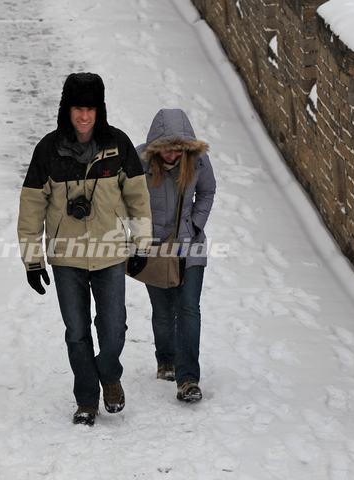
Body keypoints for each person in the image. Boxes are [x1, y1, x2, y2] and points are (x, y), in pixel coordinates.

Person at [17, 73, 152, 426]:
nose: (84, 116)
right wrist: (33, 261)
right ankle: (87, 400)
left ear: (99, 110)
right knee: (76, 332)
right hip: (66, 257)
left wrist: (141, 244)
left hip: (110, 254)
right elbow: (31, 208)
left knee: (114, 328)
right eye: (78, 108)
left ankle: (109, 374)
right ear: (67, 109)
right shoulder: (47, 151)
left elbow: (139, 201)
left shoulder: (119, 146)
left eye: (90, 108)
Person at [132, 108, 216, 403]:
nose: (172, 153)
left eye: (178, 147)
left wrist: (195, 224)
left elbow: (208, 192)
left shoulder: (198, 161)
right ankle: (165, 359)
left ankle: (188, 378)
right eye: (166, 147)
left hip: (190, 245)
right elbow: (127, 199)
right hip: (155, 248)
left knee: (189, 308)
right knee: (164, 310)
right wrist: (139, 235)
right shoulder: (139, 163)